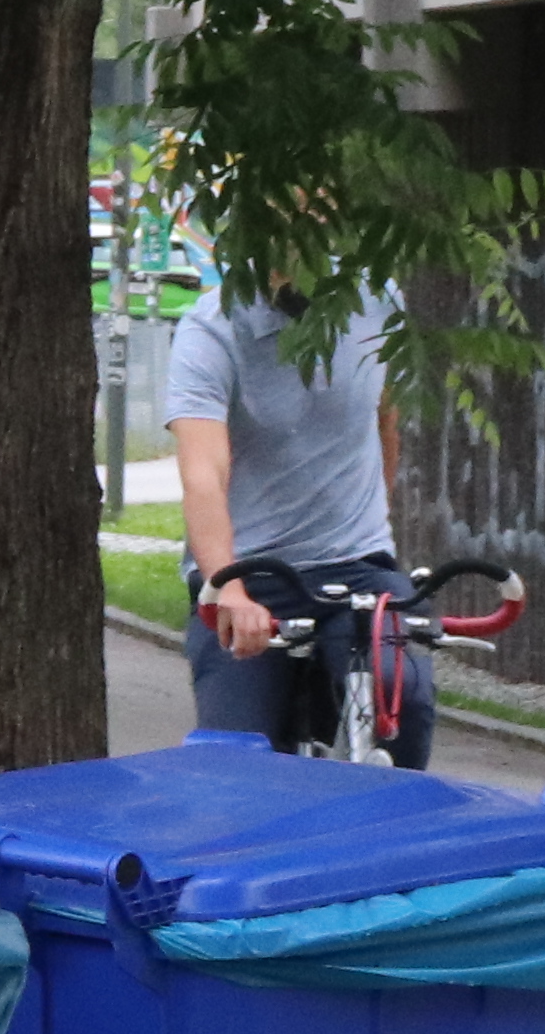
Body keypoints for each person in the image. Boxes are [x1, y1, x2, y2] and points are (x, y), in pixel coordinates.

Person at [167, 267, 422, 761]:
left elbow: (383, 419)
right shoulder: (212, 329)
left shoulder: (378, 298)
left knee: (401, 690)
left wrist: (373, 530)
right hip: (251, 570)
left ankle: (392, 820)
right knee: (233, 762)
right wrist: (229, 589)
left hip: (357, 566)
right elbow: (203, 475)